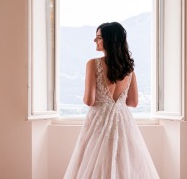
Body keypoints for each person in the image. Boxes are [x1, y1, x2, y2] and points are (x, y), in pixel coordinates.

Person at [63, 22, 160, 179]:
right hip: (123, 121)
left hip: (99, 120)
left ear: (109, 40)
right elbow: (133, 102)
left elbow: (89, 100)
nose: (95, 40)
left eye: (99, 37)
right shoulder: (129, 69)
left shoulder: (93, 64)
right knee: (123, 163)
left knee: (95, 162)